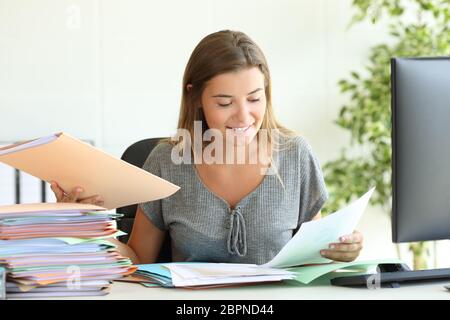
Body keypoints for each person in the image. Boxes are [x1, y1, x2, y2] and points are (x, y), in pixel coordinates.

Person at [50, 30, 363, 265]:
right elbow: (138, 260)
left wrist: (340, 251)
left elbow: (314, 257)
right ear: (196, 98)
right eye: (225, 102)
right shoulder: (167, 161)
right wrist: (86, 226)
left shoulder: (294, 155)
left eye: (255, 98)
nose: (244, 116)